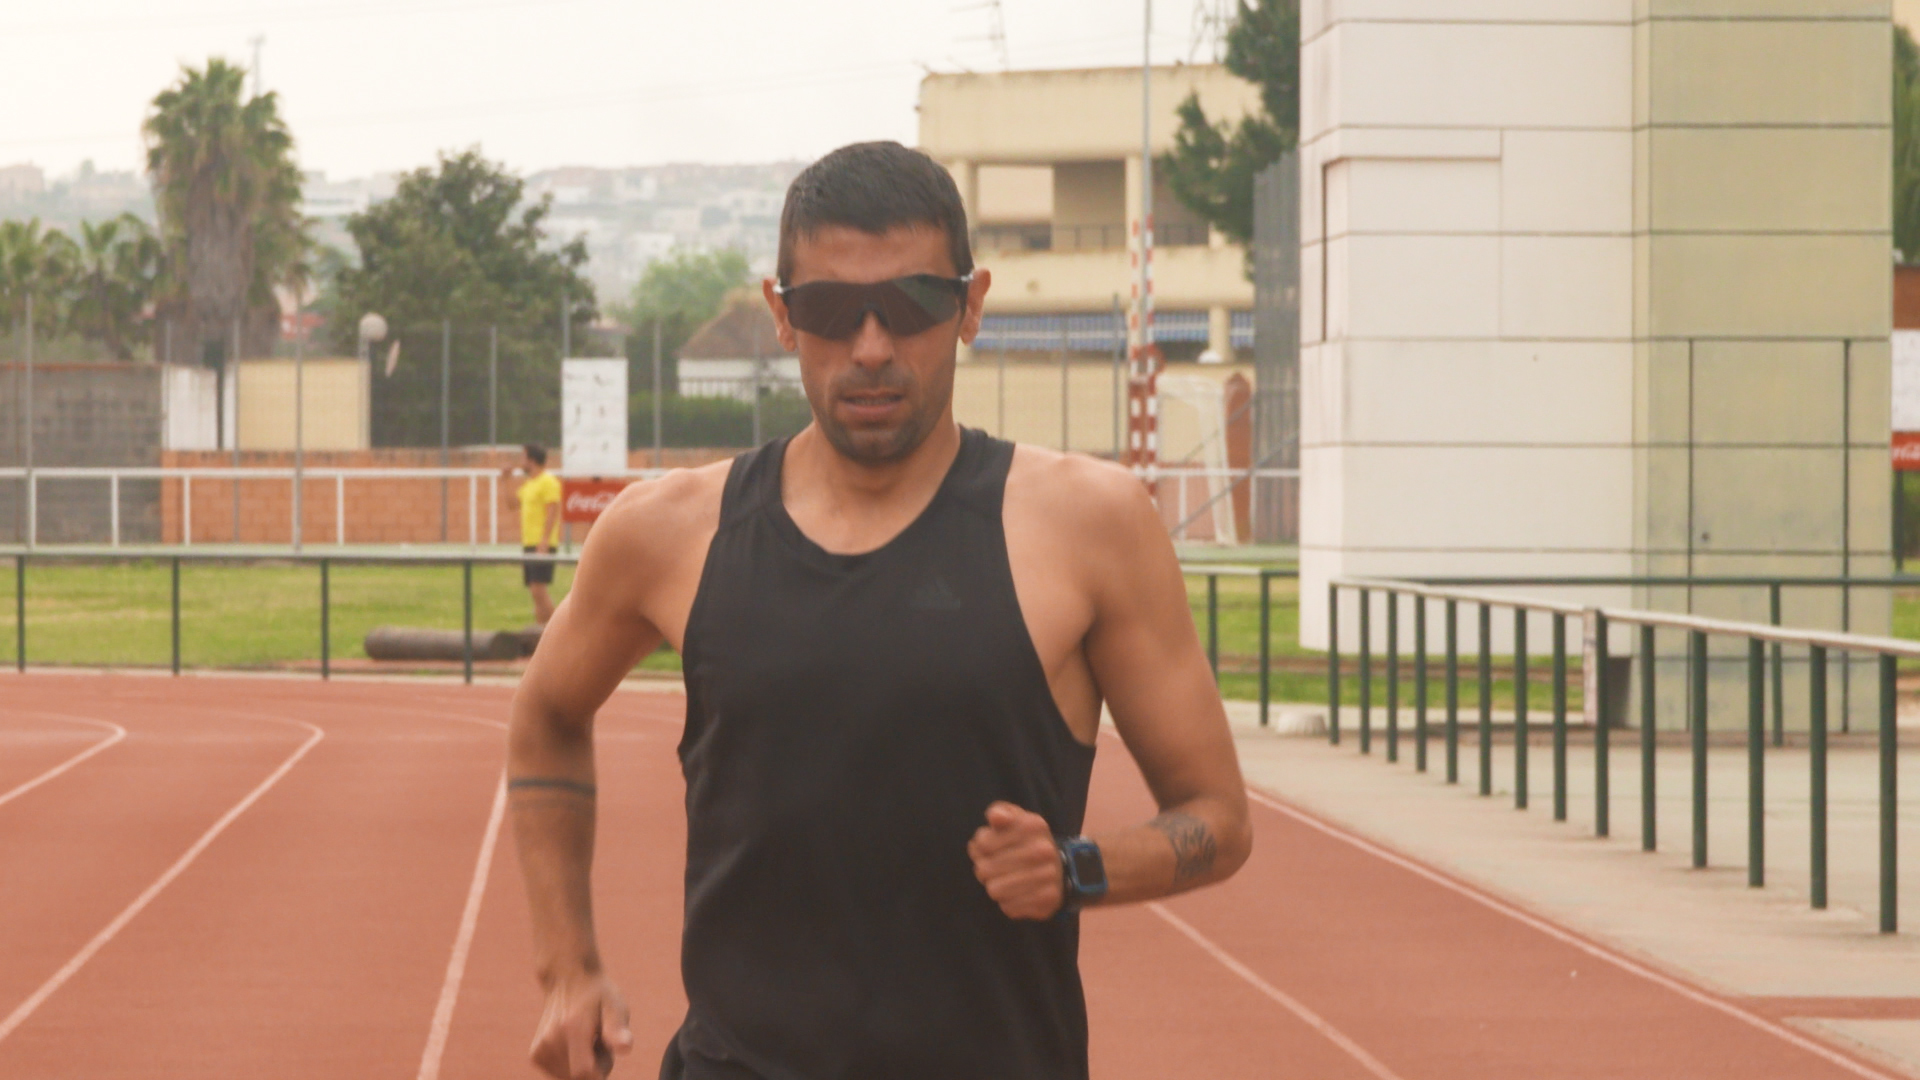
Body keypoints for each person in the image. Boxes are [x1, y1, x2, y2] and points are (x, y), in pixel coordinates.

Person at [508, 141, 1252, 1080]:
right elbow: (544, 714)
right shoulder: (667, 533)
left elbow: (1218, 818)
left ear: (970, 305)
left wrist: (1077, 870)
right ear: (781, 314)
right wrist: (565, 967)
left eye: (910, 305)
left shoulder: (1089, 526)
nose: (870, 347)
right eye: (829, 310)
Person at [503, 444, 563, 627]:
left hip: (541, 543)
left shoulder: (548, 482)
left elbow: (552, 511)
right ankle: (540, 633)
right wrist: (505, 480)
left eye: (523, 458)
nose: (521, 462)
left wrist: (544, 539)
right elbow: (512, 504)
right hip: (529, 542)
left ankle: (557, 633)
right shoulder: (530, 484)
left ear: (531, 460)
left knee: (539, 590)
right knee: (534, 591)